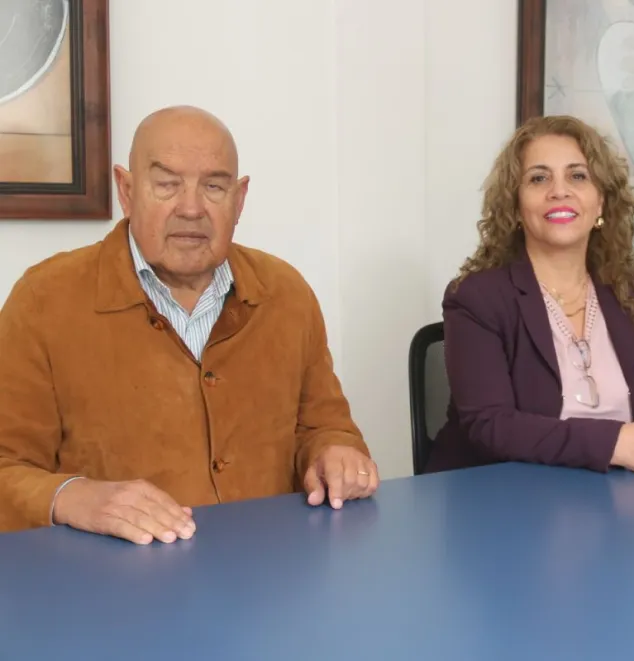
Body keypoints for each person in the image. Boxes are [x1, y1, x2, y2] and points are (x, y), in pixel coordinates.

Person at [0, 106, 378, 543]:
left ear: (239, 199)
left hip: (271, 560)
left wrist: (335, 456)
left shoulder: (285, 294)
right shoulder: (45, 301)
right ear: (126, 191)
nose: (192, 208)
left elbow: (326, 426)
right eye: (167, 184)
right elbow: (7, 464)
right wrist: (73, 496)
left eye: (214, 187)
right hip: (115, 574)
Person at [425, 115, 634, 477]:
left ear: (601, 203)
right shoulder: (477, 297)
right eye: (539, 178)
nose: (559, 191)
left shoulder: (631, 291)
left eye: (578, 176)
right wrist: (619, 444)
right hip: (505, 492)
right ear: (515, 207)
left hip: (621, 491)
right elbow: (491, 425)